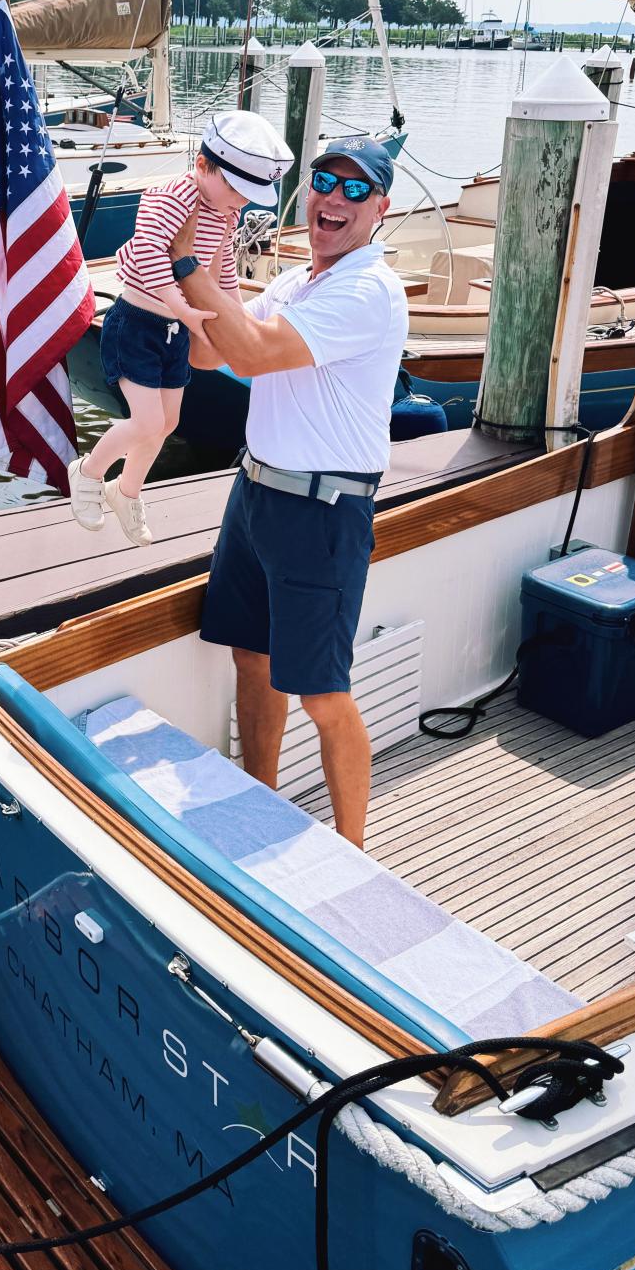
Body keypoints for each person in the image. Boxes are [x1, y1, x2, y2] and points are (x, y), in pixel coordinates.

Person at [167, 135, 407, 846]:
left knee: (323, 694)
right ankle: (258, 805)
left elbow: (254, 352)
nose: (333, 199)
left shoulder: (368, 289)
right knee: (252, 656)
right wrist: (209, 257)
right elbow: (214, 352)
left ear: (381, 209)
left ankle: (354, 850)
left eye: (355, 190)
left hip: (321, 510)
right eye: (324, 182)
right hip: (256, 494)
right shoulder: (298, 282)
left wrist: (185, 262)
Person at [70, 110, 293, 546]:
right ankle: (88, 472)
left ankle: (126, 491)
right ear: (204, 165)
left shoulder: (224, 212)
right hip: (138, 322)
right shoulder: (173, 195)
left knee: (168, 422)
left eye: (249, 193)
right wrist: (182, 307)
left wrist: (240, 317)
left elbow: (222, 269)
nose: (241, 201)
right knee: (146, 419)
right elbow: (149, 253)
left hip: (173, 329)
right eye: (235, 187)